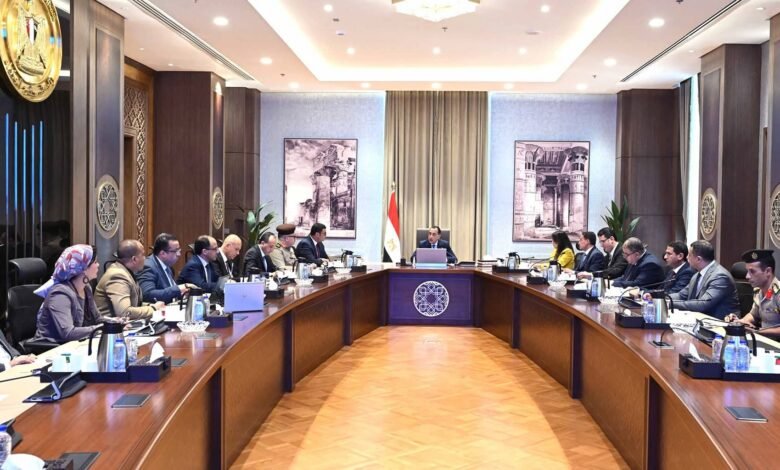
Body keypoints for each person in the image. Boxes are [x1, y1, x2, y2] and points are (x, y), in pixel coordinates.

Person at [32, 244, 104, 343]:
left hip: (74, 344)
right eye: (95, 262)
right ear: (83, 268)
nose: (98, 265)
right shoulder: (59, 294)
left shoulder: (86, 288)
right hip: (52, 347)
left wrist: (116, 323)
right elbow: (68, 333)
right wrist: (101, 329)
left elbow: (97, 319)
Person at [667, 240, 739, 319]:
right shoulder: (697, 275)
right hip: (701, 319)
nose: (687, 258)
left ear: (698, 259)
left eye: (689, 255)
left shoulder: (720, 276)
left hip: (720, 322)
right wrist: (661, 299)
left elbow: (704, 304)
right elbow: (681, 295)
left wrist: (668, 303)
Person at [94, 240, 165, 320]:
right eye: (143, 255)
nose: (145, 258)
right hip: (109, 326)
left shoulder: (125, 271)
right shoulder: (117, 275)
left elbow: (134, 304)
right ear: (134, 259)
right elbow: (125, 312)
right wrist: (154, 309)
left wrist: (151, 306)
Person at [725, 249, 780, 335]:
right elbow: (753, 315)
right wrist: (740, 322)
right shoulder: (759, 290)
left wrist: (758, 331)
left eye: (752, 271)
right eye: (747, 271)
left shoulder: (778, 292)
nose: (747, 276)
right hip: (763, 338)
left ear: (768, 271)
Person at [138, 233, 190, 303]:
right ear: (163, 253)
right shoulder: (148, 267)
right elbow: (147, 294)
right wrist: (178, 289)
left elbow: (169, 292)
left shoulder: (167, 266)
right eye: (176, 251)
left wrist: (183, 293)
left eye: (179, 250)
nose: (179, 254)